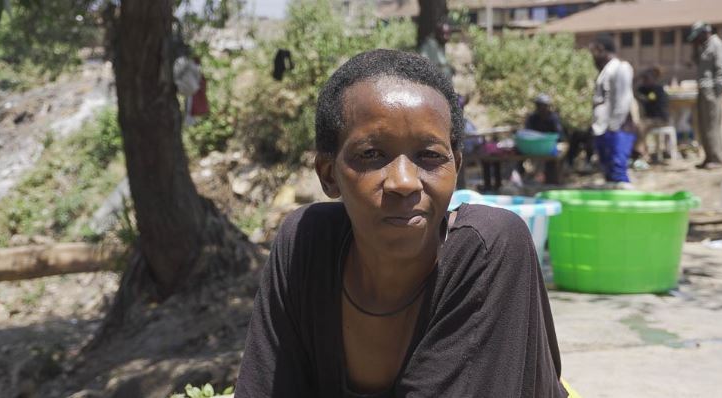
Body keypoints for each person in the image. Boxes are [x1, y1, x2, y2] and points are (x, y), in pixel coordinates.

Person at [234, 49, 567, 397]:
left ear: (456, 166)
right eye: (371, 155)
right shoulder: (305, 245)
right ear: (328, 174)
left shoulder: (489, 247)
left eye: (430, 156)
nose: (405, 181)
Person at [589, 34, 636, 189]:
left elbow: (623, 100)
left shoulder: (620, 68)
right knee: (608, 172)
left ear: (602, 50)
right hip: (603, 128)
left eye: (595, 52)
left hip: (618, 129)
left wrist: (613, 127)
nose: (593, 57)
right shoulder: (605, 72)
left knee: (618, 171)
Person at [688, 21, 722, 169]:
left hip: (711, 90)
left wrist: (717, 90)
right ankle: (708, 156)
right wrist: (694, 48)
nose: (697, 40)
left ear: (705, 32)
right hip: (703, 89)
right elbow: (697, 63)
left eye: (698, 36)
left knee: (712, 124)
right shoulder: (703, 46)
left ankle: (716, 158)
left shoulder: (716, 44)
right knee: (703, 124)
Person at [635, 66, 670, 165]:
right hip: (649, 119)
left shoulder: (658, 89)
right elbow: (632, 87)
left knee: (641, 126)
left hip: (660, 119)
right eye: (644, 79)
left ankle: (641, 151)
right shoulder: (643, 89)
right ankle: (641, 151)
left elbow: (649, 100)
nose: (645, 81)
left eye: (647, 78)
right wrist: (638, 77)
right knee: (638, 126)